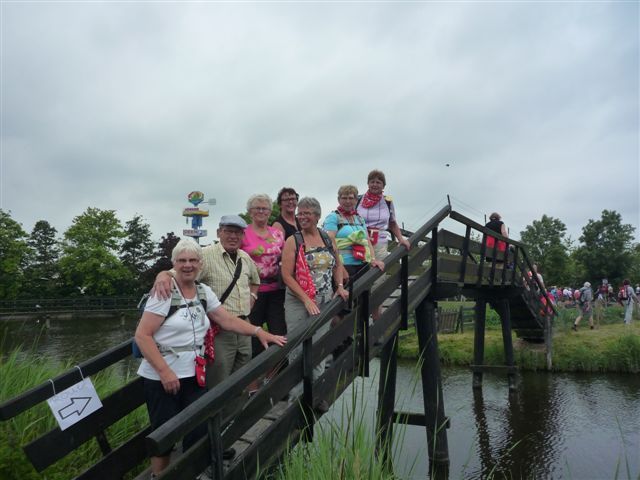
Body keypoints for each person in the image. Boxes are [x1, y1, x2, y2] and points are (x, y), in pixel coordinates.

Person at [136, 238, 286, 477]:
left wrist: (259, 331)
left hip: (194, 373)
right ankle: (159, 476)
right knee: (164, 433)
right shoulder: (164, 293)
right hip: (163, 376)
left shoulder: (202, 292)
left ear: (200, 264)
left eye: (192, 260)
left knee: (198, 428)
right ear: (174, 264)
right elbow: (142, 336)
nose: (187, 265)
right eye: (182, 260)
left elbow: (226, 320)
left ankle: (190, 472)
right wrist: (164, 372)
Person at [153, 215, 260, 458]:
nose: (233, 236)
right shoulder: (206, 256)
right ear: (219, 232)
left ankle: (224, 436)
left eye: (238, 232)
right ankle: (208, 444)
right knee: (217, 387)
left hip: (243, 326)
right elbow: (179, 271)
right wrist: (162, 275)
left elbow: (255, 281)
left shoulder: (245, 258)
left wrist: (252, 298)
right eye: (228, 231)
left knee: (240, 385)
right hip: (219, 331)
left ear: (243, 236)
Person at [280, 197, 349, 408]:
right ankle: (296, 401)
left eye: (307, 213)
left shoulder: (327, 238)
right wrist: (306, 299)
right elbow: (287, 275)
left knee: (319, 347)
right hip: (298, 301)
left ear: (317, 216)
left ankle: (316, 395)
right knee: (297, 349)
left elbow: (337, 264)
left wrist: (339, 286)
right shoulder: (294, 240)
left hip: (324, 299)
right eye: (300, 213)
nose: (302, 217)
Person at [241, 194, 286, 359]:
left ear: (270, 212)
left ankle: (277, 371)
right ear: (250, 212)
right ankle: (254, 374)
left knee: (279, 333)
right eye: (257, 208)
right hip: (252, 292)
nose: (261, 211)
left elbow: (286, 257)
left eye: (265, 208)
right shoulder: (243, 233)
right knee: (253, 335)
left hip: (276, 290)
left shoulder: (278, 234)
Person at [323, 185, 385, 285]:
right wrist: (340, 268)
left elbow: (367, 241)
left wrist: (373, 259)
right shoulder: (333, 217)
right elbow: (330, 242)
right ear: (339, 200)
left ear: (356, 200)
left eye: (351, 198)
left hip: (363, 264)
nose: (348, 201)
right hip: (344, 265)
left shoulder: (359, 218)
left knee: (364, 294)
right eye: (344, 198)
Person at [356, 169, 410, 264]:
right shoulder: (358, 200)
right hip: (358, 241)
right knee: (360, 271)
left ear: (383, 185)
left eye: (378, 182)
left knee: (378, 269)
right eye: (372, 182)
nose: (375, 184)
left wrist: (401, 239)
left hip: (379, 243)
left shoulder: (387, 202)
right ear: (368, 184)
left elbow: (392, 223)